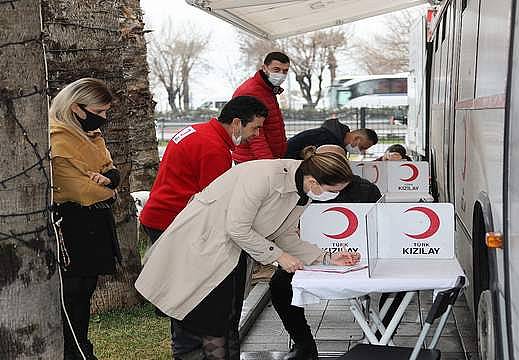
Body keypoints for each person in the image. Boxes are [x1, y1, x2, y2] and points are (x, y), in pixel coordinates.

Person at [135, 153, 361, 360]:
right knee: (197, 322)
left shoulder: (302, 192)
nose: (335, 195)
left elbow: (285, 235)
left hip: (230, 257)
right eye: (334, 190)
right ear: (313, 181)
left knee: (227, 322)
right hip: (199, 252)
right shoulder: (263, 176)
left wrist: (326, 257)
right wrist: (279, 257)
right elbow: (238, 227)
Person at [139, 95, 267, 359]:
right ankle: (189, 350)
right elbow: (218, 207)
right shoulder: (213, 149)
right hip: (176, 226)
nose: (257, 135)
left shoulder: (198, 131)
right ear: (236, 123)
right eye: (255, 128)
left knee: (182, 293)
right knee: (192, 296)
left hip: (163, 218)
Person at [271, 144, 382, 360]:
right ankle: (303, 342)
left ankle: (380, 338)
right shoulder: (300, 189)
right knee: (279, 286)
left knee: (396, 284)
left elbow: (379, 226)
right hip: (309, 254)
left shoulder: (366, 189)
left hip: (355, 258)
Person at [50, 78, 121, 360]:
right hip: (72, 226)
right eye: (99, 112)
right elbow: (81, 191)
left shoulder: (91, 136)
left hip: (96, 226)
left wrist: (110, 180)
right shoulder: (57, 138)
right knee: (72, 294)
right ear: (77, 108)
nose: (102, 119)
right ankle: (75, 351)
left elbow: (110, 169)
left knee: (85, 291)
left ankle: (80, 347)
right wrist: (109, 186)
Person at [232, 52, 291, 163]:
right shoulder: (251, 91)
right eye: (276, 70)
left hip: (266, 158)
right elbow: (254, 134)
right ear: (264, 68)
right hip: (253, 160)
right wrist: (269, 162)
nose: (281, 74)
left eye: (285, 71)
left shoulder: (268, 89)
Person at [285, 116, 378, 160]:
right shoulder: (327, 139)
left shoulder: (334, 138)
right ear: (356, 139)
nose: (360, 151)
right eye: (362, 147)